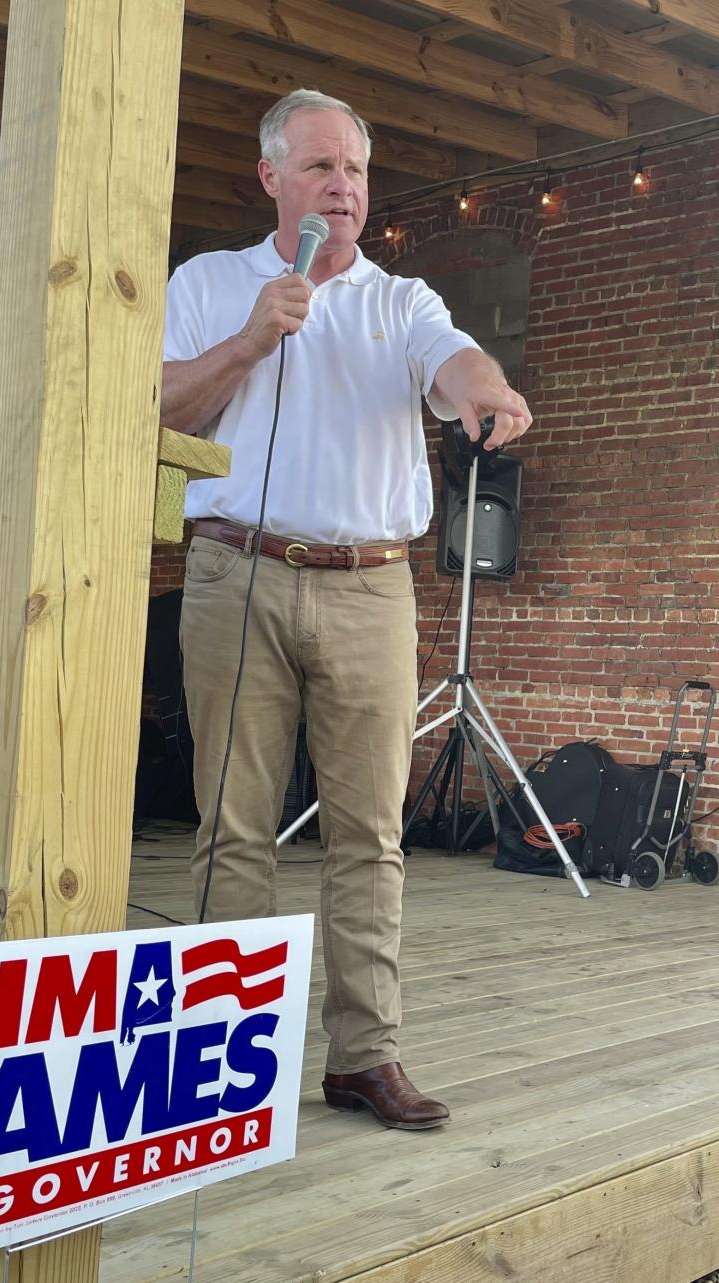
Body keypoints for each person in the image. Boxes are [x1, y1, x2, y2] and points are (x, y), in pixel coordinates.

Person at [161, 89, 531, 1131]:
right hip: (238, 571)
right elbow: (155, 410)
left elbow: (454, 362)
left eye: (358, 172)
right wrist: (247, 342)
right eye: (322, 167)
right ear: (273, 177)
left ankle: (365, 1053)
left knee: (370, 832)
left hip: (373, 584)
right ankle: (218, 1060)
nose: (345, 187)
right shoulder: (212, 283)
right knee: (233, 828)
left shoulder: (399, 301)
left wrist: (484, 393)